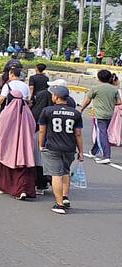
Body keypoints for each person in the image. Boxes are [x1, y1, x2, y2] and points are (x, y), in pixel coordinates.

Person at [38, 86, 84, 214]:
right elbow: (78, 134)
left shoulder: (47, 111)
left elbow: (42, 130)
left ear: (56, 97)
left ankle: (59, 204)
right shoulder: (75, 113)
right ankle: (65, 197)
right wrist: (81, 151)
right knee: (65, 172)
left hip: (53, 146)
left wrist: (41, 145)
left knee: (56, 174)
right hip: (69, 147)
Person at [0, 89, 37, 199]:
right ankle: (23, 190)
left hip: (8, 146)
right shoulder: (27, 113)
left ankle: (1, 186)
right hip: (23, 147)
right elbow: (33, 127)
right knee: (23, 169)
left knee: (4, 164)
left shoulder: (6, 112)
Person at [78, 69, 119, 165]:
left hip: (99, 114)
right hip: (109, 114)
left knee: (102, 133)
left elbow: (87, 100)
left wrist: (81, 109)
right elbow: (118, 102)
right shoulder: (114, 89)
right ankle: (93, 151)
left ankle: (106, 155)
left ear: (99, 77)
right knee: (101, 132)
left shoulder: (95, 88)